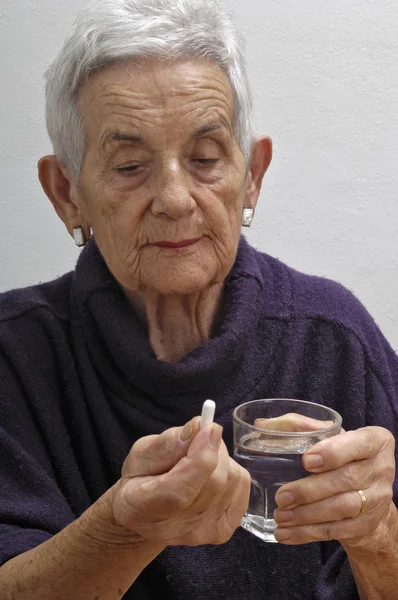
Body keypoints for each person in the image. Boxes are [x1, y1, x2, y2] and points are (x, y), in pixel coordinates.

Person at [0, 0, 397, 598]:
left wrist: (377, 532)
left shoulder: (332, 336)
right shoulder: (14, 354)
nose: (176, 199)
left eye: (206, 159)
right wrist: (123, 530)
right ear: (67, 194)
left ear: (253, 176)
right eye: (131, 165)